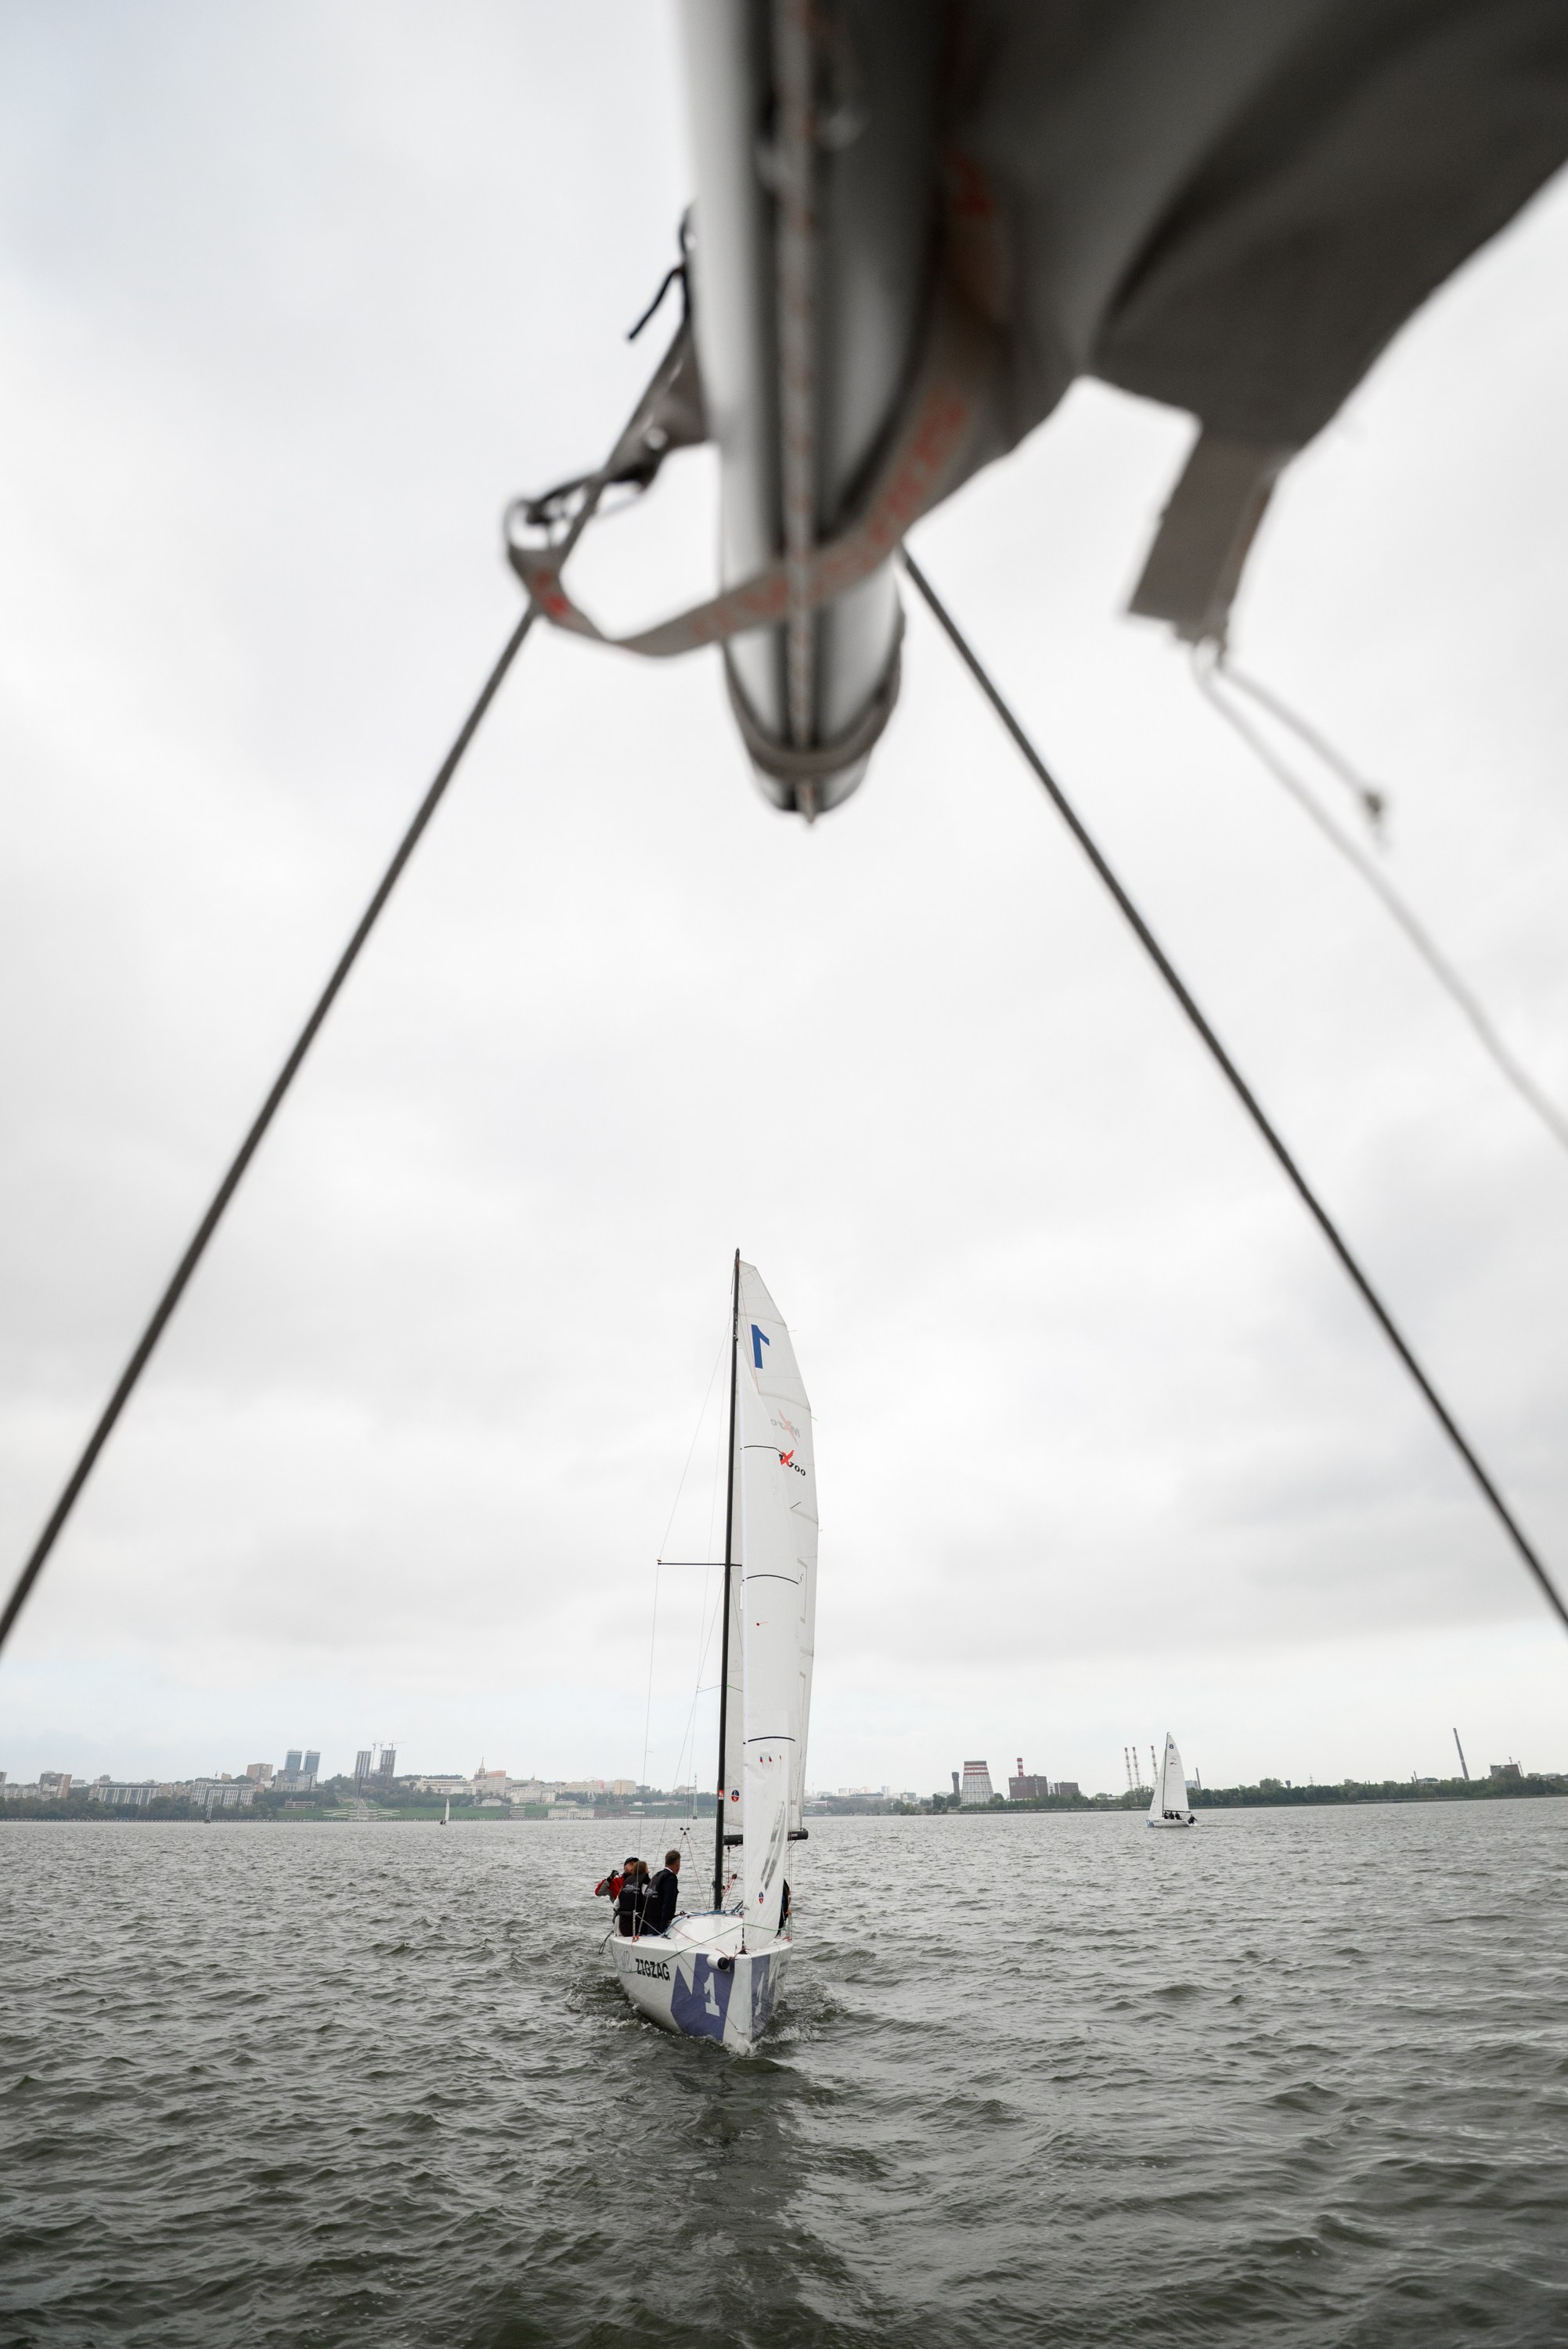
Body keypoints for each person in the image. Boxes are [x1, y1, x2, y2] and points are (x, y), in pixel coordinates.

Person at [640, 1849, 683, 1937]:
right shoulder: (671, 1878)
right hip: (660, 1925)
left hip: (649, 1921)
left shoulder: (656, 1876)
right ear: (677, 1863)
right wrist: (664, 1927)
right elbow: (668, 1903)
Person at [615, 1861, 651, 1938]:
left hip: (623, 1924)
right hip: (638, 1925)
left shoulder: (626, 1881)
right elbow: (650, 1901)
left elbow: (616, 1905)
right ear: (645, 1870)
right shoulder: (645, 1882)